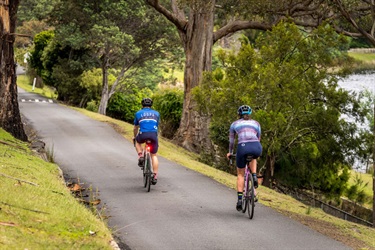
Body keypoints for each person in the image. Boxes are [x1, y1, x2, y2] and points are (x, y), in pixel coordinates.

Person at [226, 105, 262, 211]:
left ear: (239, 114)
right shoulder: (256, 123)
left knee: (240, 174)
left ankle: (240, 200)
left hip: (243, 147)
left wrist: (230, 153)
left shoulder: (234, 124)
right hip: (256, 147)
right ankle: (254, 176)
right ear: (250, 114)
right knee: (253, 157)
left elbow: (232, 142)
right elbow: (258, 138)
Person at [133, 98, 160, 185]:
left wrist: (134, 136)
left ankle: (140, 155)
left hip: (143, 134)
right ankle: (155, 176)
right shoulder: (156, 113)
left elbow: (135, 127)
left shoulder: (138, 113)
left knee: (137, 141)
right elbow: (156, 125)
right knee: (154, 155)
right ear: (151, 105)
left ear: (142, 105)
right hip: (153, 135)